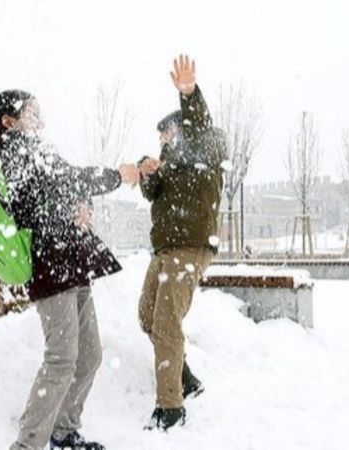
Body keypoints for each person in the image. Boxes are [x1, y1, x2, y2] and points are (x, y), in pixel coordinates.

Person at [0, 90, 140, 450]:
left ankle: (64, 431)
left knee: (90, 356)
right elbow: (62, 179)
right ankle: (27, 445)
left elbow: (63, 185)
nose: (40, 119)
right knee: (61, 360)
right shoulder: (13, 150)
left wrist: (82, 203)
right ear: (10, 121)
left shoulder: (37, 149)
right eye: (32, 112)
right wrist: (115, 177)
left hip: (73, 264)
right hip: (51, 267)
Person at [136, 55, 227, 431]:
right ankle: (185, 377)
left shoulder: (207, 148)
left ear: (182, 129)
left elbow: (201, 126)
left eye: (166, 135)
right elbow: (151, 192)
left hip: (190, 248)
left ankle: (170, 408)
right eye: (160, 139)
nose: (163, 142)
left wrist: (188, 94)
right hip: (166, 250)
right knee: (148, 316)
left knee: (166, 323)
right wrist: (146, 170)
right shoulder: (170, 164)